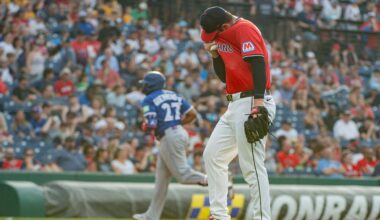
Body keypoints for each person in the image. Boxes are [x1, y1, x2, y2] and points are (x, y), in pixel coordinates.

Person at [200, 6, 276, 220]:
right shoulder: (224, 35)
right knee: (213, 155)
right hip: (234, 103)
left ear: (223, 26)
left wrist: (259, 102)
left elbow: (258, 63)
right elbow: (225, 78)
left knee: (251, 165)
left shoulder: (244, 29)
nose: (211, 38)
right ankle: (219, 215)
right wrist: (215, 56)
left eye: (214, 33)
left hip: (253, 99)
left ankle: (262, 217)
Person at [133, 71, 207, 220]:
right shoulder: (174, 95)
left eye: (146, 83)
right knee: (161, 181)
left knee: (183, 175)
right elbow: (192, 114)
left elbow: (151, 124)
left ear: (151, 85)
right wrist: (177, 124)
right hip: (178, 132)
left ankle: (215, 179)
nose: (144, 86)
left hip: (169, 136)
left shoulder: (148, 99)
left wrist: (143, 126)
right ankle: (151, 216)